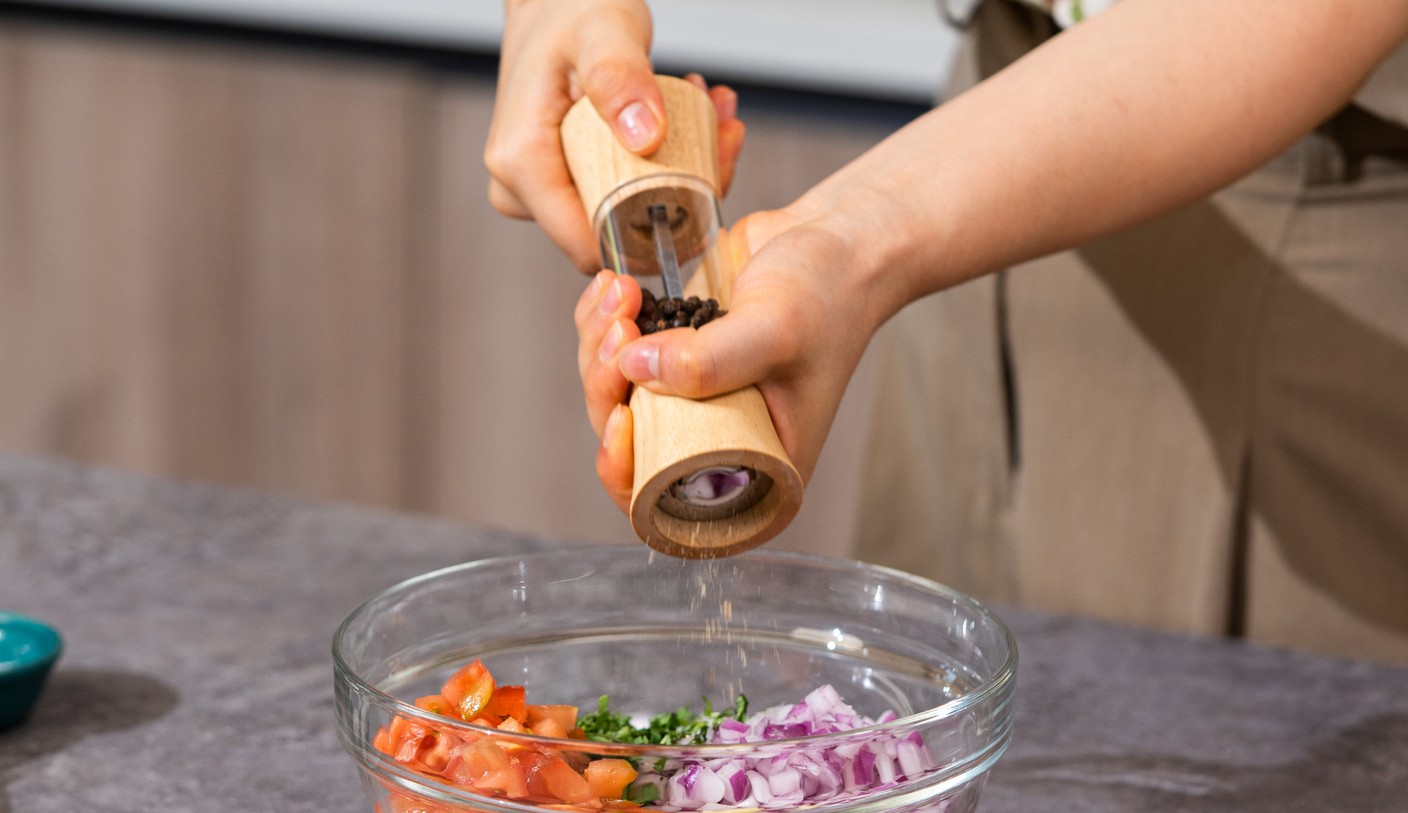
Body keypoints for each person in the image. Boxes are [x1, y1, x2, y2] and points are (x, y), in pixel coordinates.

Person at [484, 0, 1408, 665]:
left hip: (1298, 176)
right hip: (982, 131)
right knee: (937, 713)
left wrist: (849, 243)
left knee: (1229, 793)